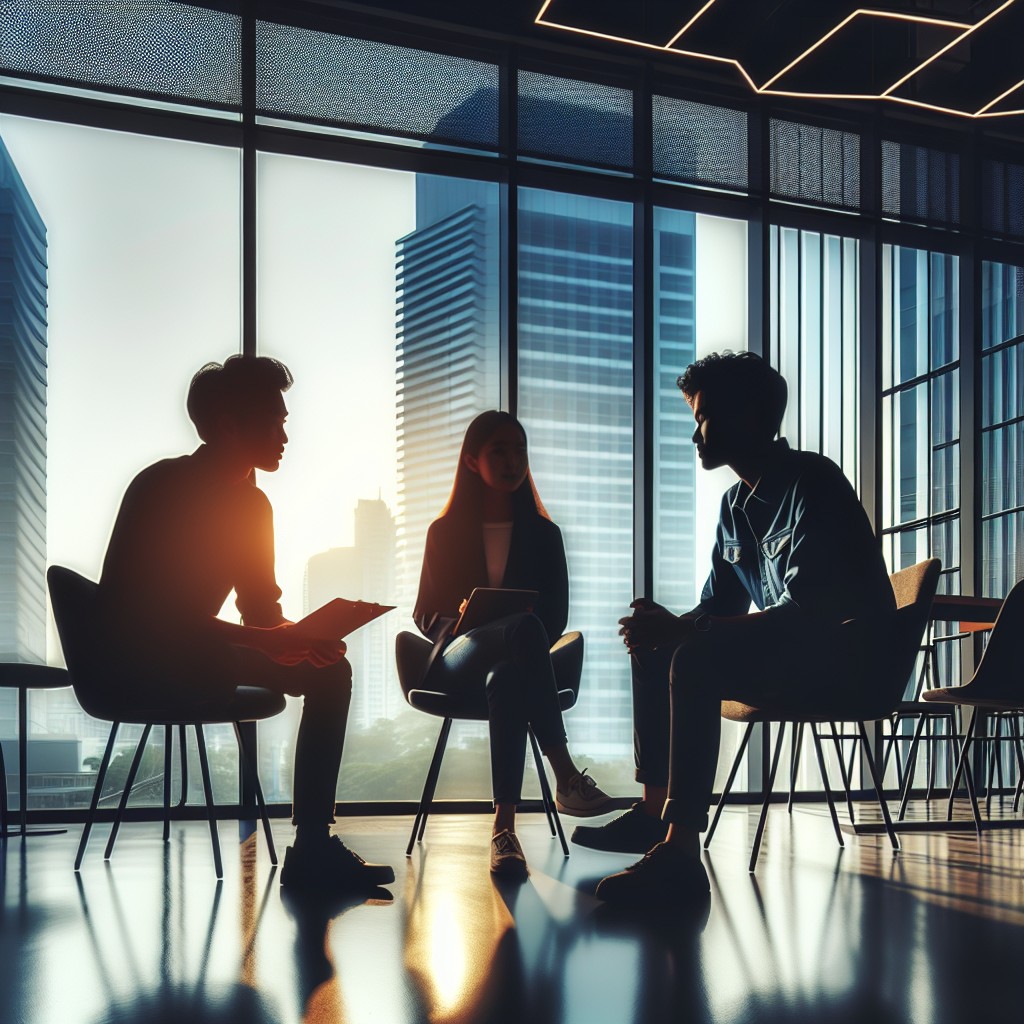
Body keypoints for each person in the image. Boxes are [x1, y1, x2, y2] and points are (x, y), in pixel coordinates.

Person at [573, 351, 895, 905]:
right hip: (787, 652)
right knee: (658, 649)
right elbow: (716, 606)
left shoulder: (812, 482)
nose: (697, 433)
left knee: (692, 657)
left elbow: (809, 615)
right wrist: (669, 626)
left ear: (754, 417)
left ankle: (679, 853)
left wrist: (687, 634)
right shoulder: (732, 506)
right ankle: (655, 812)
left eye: (706, 416)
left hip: (843, 660)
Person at [98, 354, 394, 892]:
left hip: (201, 651)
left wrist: (301, 641)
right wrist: (266, 639)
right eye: (276, 420)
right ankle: (312, 854)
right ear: (230, 425)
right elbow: (151, 617)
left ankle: (311, 848)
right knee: (302, 662)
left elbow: (260, 611)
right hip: (140, 660)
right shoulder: (162, 487)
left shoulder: (253, 506)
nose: (286, 432)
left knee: (329, 669)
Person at [414, 410, 612, 876]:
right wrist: (463, 617)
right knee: (520, 632)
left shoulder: (545, 535)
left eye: (520, 449)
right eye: (498, 450)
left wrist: (518, 623)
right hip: (460, 655)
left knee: (509, 670)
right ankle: (565, 772)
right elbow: (424, 612)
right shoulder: (443, 533)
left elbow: (555, 618)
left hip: (517, 663)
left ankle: (504, 832)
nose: (512, 460)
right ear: (471, 461)